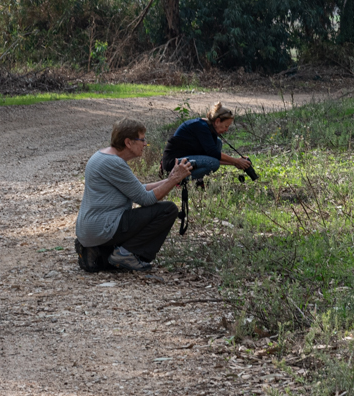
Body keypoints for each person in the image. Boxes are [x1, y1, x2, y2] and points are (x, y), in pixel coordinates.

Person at [75, 118, 192, 272]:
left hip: (91, 228)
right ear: (128, 142)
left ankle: (104, 252)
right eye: (142, 140)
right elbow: (146, 199)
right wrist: (175, 179)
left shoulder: (103, 156)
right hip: (102, 227)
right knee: (168, 209)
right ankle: (126, 254)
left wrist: (170, 180)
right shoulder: (114, 163)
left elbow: (137, 189)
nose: (145, 144)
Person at [160, 102, 252, 183]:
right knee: (213, 163)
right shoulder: (201, 127)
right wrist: (236, 160)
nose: (226, 130)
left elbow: (211, 155)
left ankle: (196, 180)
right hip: (173, 163)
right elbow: (213, 154)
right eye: (225, 126)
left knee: (218, 143)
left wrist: (235, 163)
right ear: (217, 121)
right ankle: (178, 180)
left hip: (185, 159)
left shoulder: (209, 128)